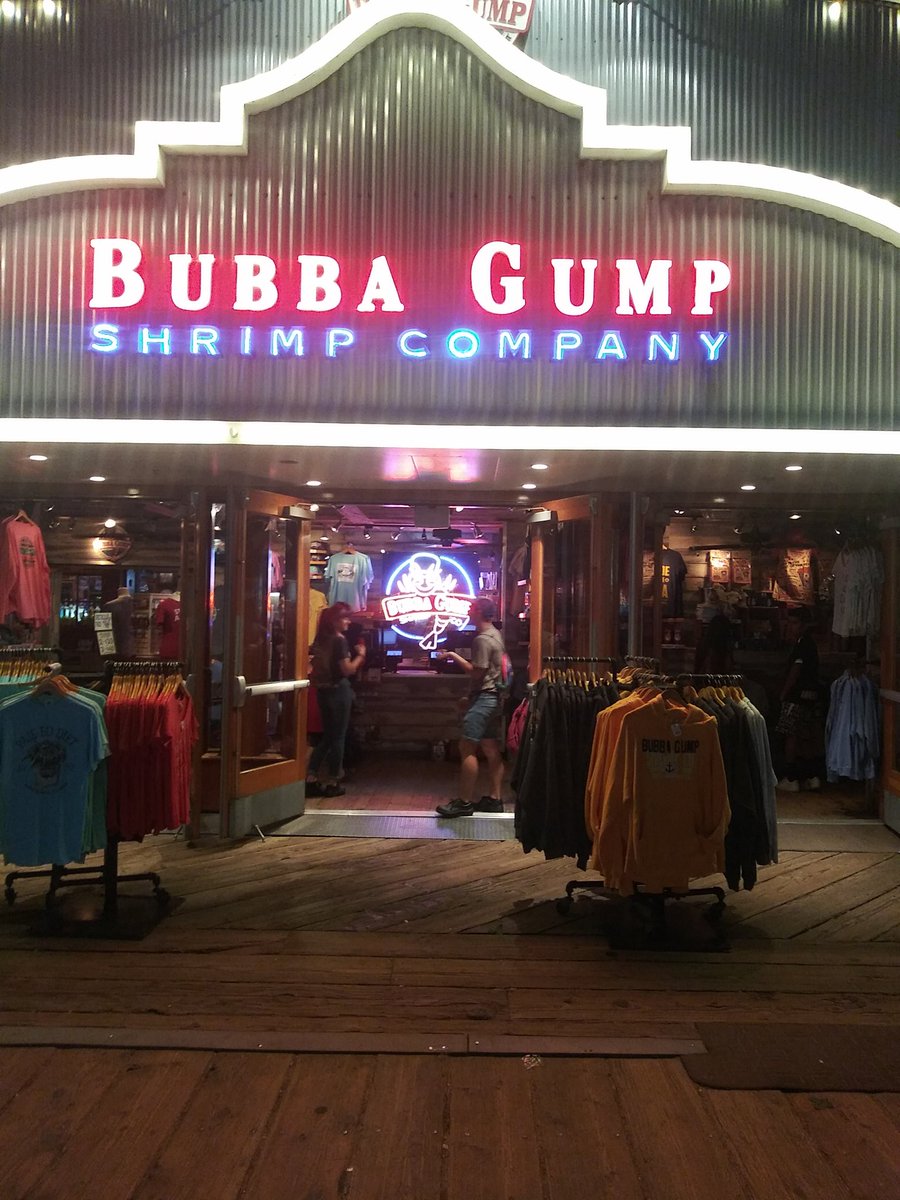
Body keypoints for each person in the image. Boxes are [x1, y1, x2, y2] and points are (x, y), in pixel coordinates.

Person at [435, 597, 506, 818]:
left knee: (467, 747)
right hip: (494, 697)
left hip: (484, 699)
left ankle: (464, 802)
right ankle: (495, 799)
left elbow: (477, 672)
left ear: (478, 611)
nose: (468, 611)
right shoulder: (496, 634)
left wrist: (452, 655)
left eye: (471, 608)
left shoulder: (482, 640)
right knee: (491, 748)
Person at [306, 602, 366, 798]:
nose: (348, 621)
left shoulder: (321, 639)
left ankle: (310, 778)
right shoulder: (339, 640)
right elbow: (347, 670)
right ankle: (333, 781)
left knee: (328, 737)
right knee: (338, 737)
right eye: (345, 618)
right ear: (334, 620)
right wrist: (361, 656)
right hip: (338, 690)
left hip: (322, 691)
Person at [774, 606, 822, 792]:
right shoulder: (809, 644)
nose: (791, 626)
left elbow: (795, 671)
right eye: (789, 622)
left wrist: (784, 693)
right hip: (810, 696)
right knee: (806, 735)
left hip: (797, 696)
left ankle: (791, 777)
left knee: (791, 735)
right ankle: (812, 775)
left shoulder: (802, 646)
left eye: (794, 623)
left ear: (803, 625)